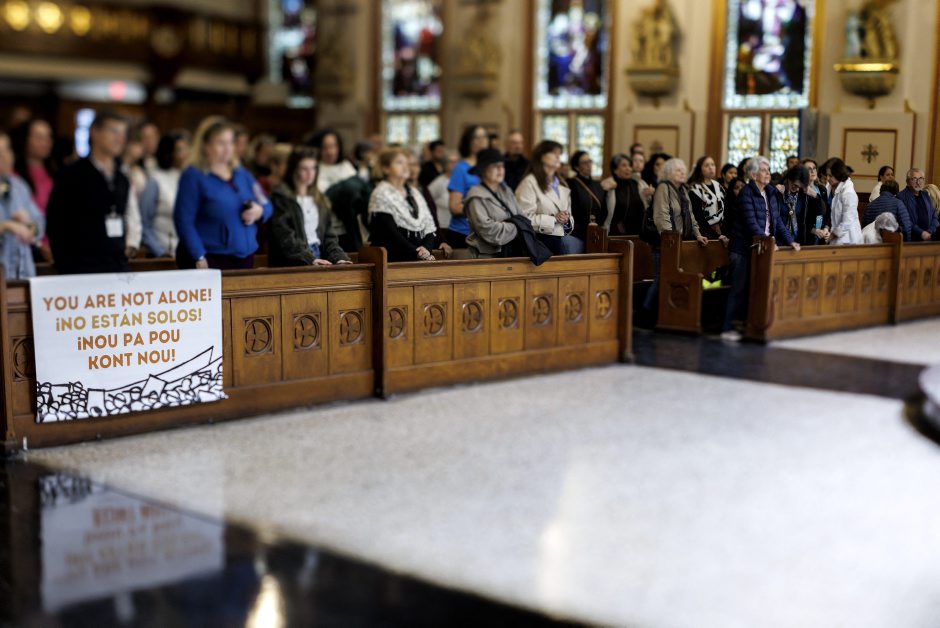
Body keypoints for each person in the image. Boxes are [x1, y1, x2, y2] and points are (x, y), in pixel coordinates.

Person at [174, 116, 271, 270]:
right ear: (205, 146)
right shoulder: (193, 175)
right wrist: (198, 255)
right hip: (210, 258)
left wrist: (260, 212)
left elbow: (266, 203)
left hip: (244, 257)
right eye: (221, 143)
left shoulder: (241, 173)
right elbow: (183, 220)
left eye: (230, 142)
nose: (228, 149)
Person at [721, 156, 799, 342]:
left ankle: (748, 325)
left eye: (768, 170)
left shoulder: (770, 192)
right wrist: (768, 241)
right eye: (764, 170)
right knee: (739, 288)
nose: (768, 173)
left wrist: (790, 241)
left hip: (760, 248)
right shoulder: (746, 193)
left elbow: (777, 221)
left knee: (755, 288)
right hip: (742, 249)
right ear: (753, 174)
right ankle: (727, 328)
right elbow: (751, 223)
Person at [46, 110, 133, 274]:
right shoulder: (72, 174)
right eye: (114, 131)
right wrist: (67, 265)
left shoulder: (122, 178)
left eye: (123, 134)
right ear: (95, 132)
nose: (119, 139)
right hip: (81, 267)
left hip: (117, 265)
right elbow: (56, 223)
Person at [642, 158, 709, 322]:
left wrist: (698, 234)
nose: (683, 172)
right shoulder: (663, 188)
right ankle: (644, 314)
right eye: (678, 170)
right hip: (664, 244)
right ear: (669, 172)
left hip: (679, 243)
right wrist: (669, 239)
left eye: (683, 170)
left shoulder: (683, 190)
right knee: (661, 279)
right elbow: (661, 216)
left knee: (670, 279)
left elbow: (691, 216)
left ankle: (665, 315)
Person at [269, 147, 351, 267]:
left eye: (313, 168)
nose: (310, 173)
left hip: (319, 255)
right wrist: (309, 258)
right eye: (304, 168)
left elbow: (329, 236)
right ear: (294, 170)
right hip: (293, 261)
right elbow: (285, 237)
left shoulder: (320, 199)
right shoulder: (281, 198)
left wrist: (338, 257)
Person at [367, 148, 437, 262]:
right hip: (391, 261)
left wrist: (427, 248)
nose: (405, 167)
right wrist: (417, 254)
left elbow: (429, 225)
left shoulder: (414, 193)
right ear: (386, 169)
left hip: (417, 258)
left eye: (406, 163)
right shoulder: (380, 194)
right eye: (399, 162)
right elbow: (390, 234)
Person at [516, 140, 582, 254]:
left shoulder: (562, 185)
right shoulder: (529, 183)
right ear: (541, 156)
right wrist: (554, 219)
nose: (558, 156)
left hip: (560, 241)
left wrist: (566, 219)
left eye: (559, 153)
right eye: (554, 153)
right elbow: (523, 220)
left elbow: (569, 218)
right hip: (540, 244)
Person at [464, 148, 525, 258]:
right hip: (487, 257)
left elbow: (522, 217)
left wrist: (510, 225)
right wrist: (518, 226)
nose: (500, 169)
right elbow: (490, 232)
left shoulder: (506, 190)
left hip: (514, 252)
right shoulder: (475, 196)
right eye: (495, 166)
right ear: (483, 170)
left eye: (502, 166)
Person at [9, 117, 54, 262]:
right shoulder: (13, 178)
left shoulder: (56, 174)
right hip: (28, 249)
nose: (45, 142)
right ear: (25, 140)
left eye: (48, 137)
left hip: (57, 247)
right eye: (39, 137)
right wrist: (39, 244)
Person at [0, 132, 44, 278]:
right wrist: (6, 226)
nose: (6, 157)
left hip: (23, 273)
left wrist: (30, 227)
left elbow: (39, 222)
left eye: (8, 150)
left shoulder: (19, 186)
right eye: (0, 153)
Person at [142, 130, 189, 258]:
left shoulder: (192, 178)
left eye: (187, 149)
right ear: (169, 153)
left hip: (190, 252)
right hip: (165, 251)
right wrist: (160, 251)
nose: (186, 154)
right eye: (180, 150)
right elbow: (144, 223)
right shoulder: (156, 180)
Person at [447, 124, 489, 248]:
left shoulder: (492, 167)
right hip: (463, 233)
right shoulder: (460, 168)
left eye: (484, 137)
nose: (482, 141)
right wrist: (482, 210)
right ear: (468, 142)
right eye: (477, 137)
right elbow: (454, 207)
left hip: (487, 233)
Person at [778, 165, 825, 246]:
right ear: (789, 179)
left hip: (798, 240)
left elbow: (822, 211)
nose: (797, 189)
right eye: (795, 185)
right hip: (779, 239)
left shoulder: (803, 194)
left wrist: (815, 195)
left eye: (800, 187)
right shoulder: (779, 190)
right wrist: (774, 190)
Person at [567, 150, 609, 239]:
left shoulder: (597, 185)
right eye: (584, 163)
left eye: (589, 161)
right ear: (576, 167)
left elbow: (604, 208)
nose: (589, 165)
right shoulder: (571, 184)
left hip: (597, 231)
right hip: (578, 232)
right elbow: (573, 209)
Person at [823, 158, 862, 245]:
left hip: (849, 239)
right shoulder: (830, 187)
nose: (828, 178)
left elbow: (847, 221)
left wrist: (832, 235)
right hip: (836, 237)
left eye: (830, 176)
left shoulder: (848, 193)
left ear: (838, 174)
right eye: (827, 175)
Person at [604, 153, 644, 235]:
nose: (628, 169)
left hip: (637, 233)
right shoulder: (609, 185)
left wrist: (647, 196)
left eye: (629, 166)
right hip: (615, 232)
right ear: (615, 170)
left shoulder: (637, 184)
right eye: (624, 165)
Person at [687, 155, 725, 239]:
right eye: (707, 165)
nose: (711, 168)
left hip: (721, 230)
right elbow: (698, 216)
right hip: (704, 232)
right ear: (700, 169)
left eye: (712, 164)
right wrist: (716, 236)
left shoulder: (718, 186)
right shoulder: (695, 189)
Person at [897, 168, 938, 241]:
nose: (918, 182)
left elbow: (934, 216)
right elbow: (904, 220)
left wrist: (930, 231)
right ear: (908, 182)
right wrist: (921, 233)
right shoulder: (901, 197)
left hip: (928, 237)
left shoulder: (926, 195)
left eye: (921, 179)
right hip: (911, 239)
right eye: (914, 179)